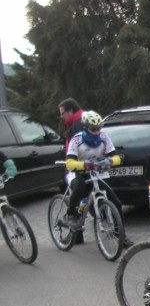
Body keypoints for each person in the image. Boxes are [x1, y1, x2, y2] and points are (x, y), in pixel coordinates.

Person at [64, 110, 134, 246]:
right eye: (93, 129)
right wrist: (85, 165)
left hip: (96, 172)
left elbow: (116, 157)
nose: (96, 132)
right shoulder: (77, 140)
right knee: (79, 187)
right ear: (85, 128)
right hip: (79, 172)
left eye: (98, 129)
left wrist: (109, 161)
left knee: (116, 202)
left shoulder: (104, 137)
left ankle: (121, 236)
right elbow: (70, 163)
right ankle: (71, 214)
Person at [58, 98, 85, 243]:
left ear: (70, 111)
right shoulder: (79, 121)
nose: (61, 117)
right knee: (82, 198)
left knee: (79, 196)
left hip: (78, 167)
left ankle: (75, 234)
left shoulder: (77, 124)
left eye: (62, 113)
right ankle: (75, 234)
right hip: (79, 166)